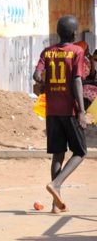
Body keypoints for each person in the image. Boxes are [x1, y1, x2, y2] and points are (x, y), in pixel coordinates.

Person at [33, 15, 87, 214]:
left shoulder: (47, 52)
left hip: (52, 111)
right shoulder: (77, 52)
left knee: (58, 154)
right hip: (69, 110)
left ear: (58, 33)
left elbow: (36, 75)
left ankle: (56, 205)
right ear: (74, 33)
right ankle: (56, 184)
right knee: (81, 152)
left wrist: (41, 81)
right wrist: (81, 111)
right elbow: (77, 81)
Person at [73, 41, 97, 109]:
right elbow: (78, 81)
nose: (88, 51)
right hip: (78, 87)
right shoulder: (76, 61)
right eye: (87, 49)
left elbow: (92, 75)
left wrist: (92, 61)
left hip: (86, 84)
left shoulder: (85, 59)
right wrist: (92, 82)